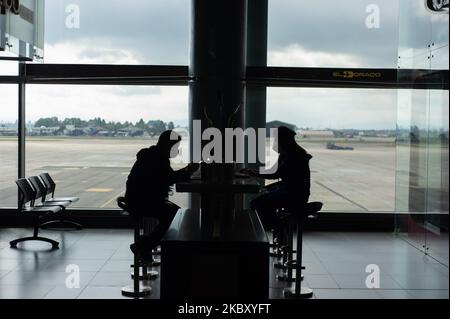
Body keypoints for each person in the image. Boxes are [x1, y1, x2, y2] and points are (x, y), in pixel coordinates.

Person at [125, 130, 199, 262]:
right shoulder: (158, 159)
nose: (176, 149)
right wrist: (189, 170)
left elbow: (167, 177)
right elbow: (170, 178)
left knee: (177, 214)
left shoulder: (153, 156)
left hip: (138, 199)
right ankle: (145, 245)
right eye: (175, 146)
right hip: (142, 202)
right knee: (177, 217)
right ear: (168, 145)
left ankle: (146, 245)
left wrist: (187, 170)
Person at [243, 126, 312, 231]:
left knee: (257, 204)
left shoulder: (294, 156)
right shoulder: (289, 153)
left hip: (295, 194)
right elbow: (274, 172)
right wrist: (253, 172)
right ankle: (275, 227)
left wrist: (253, 173)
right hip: (290, 191)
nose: (275, 142)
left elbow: (275, 174)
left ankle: (277, 228)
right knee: (257, 203)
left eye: (276, 139)